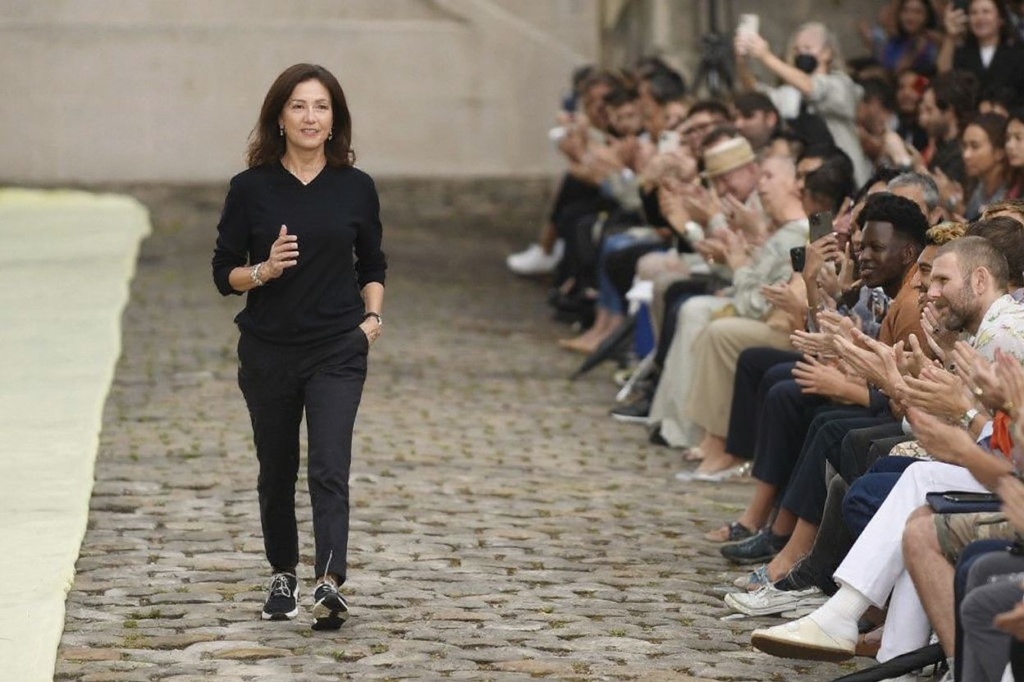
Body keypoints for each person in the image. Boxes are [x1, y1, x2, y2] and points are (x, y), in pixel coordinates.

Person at [211, 63, 387, 630]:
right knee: (277, 468)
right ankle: (283, 573)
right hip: (269, 351)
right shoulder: (250, 188)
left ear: (335, 120)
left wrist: (372, 317)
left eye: (321, 107)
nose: (311, 117)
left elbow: (373, 262)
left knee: (330, 467)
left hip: (338, 346)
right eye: (299, 106)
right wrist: (263, 269)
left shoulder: (356, 187)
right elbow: (222, 273)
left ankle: (329, 582)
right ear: (279, 118)